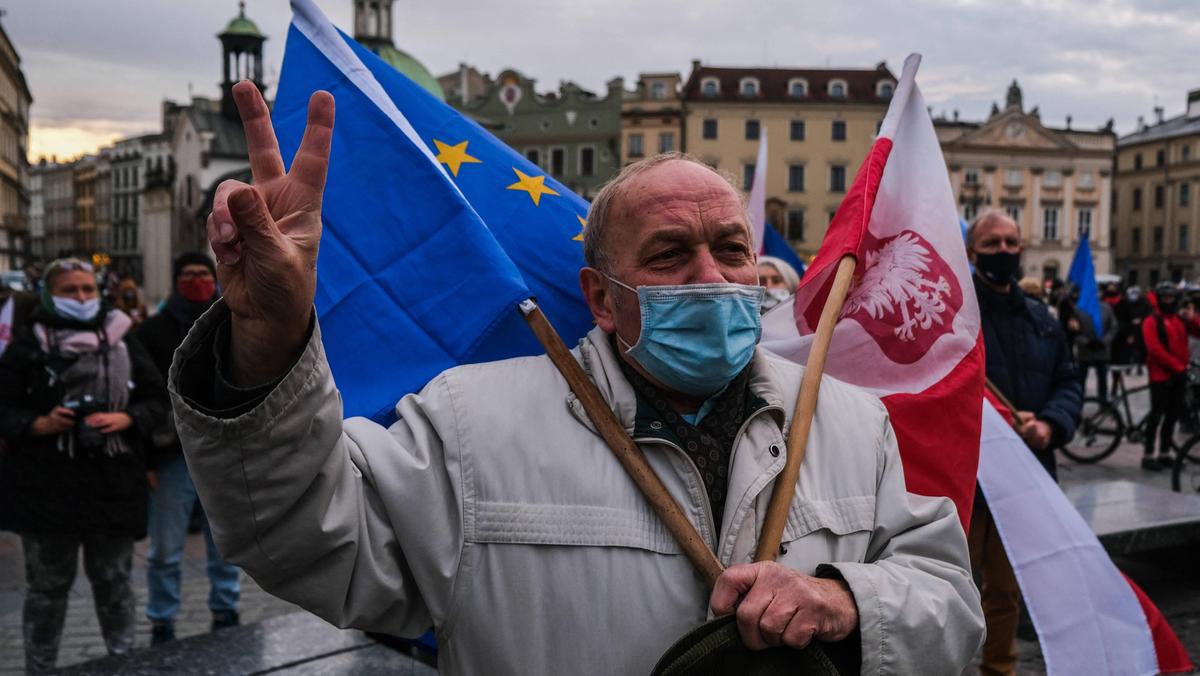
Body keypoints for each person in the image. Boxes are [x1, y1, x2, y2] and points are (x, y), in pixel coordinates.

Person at [169, 82, 983, 675]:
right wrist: (268, 338)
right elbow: (304, 535)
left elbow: (950, 606)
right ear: (600, 297)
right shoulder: (470, 423)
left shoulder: (850, 421)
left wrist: (846, 601)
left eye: (730, 249)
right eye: (669, 254)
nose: (711, 276)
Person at [0, 258, 166, 674]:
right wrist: (37, 423)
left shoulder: (124, 337)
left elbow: (157, 399)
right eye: (69, 290)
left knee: (115, 585)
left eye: (87, 290)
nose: (80, 298)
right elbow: (3, 407)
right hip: (46, 491)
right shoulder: (27, 343)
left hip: (111, 486)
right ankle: (40, 668)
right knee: (46, 591)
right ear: (49, 296)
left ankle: (123, 663)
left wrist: (127, 419)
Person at [965, 211, 1081, 676]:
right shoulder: (954, 314)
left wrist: (1050, 425)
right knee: (945, 585)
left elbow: (1068, 382)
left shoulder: (1042, 318)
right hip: (964, 475)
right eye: (992, 244)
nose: (1004, 252)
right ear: (972, 253)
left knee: (1006, 592)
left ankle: (1000, 668)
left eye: (1012, 242)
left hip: (1025, 476)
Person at [132, 253, 241, 644]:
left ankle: (226, 610)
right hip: (171, 456)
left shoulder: (234, 321)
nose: (196, 280)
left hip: (222, 453)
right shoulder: (151, 331)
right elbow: (143, 397)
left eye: (202, 273)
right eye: (188, 274)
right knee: (164, 550)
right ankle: (162, 620)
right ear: (176, 280)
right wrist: (145, 460)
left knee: (225, 544)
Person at [1140, 282, 1200, 471]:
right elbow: (1154, 349)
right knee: (1156, 416)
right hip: (1160, 376)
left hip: (1179, 375)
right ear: (1159, 299)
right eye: (1165, 298)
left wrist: (1192, 318)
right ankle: (1148, 455)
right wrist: (1176, 366)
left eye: (1171, 298)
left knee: (1172, 416)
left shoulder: (1179, 320)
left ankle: (1165, 453)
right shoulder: (1151, 321)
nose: (1168, 301)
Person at [1114, 285, 1151, 369]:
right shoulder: (1126, 304)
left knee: (1140, 348)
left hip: (1141, 329)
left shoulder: (1145, 303)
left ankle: (1139, 365)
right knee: (1130, 348)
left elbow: (1148, 315)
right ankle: (1130, 364)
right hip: (1130, 329)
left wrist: (1141, 320)